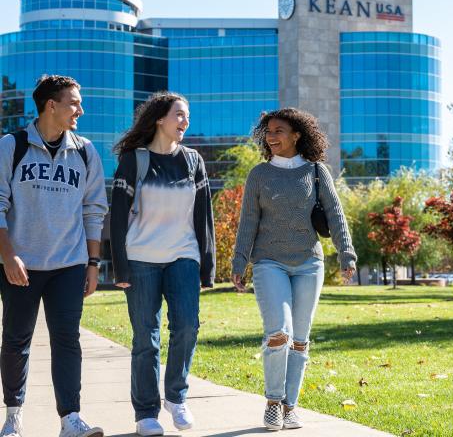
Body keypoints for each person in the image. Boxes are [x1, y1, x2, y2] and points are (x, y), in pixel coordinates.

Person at [232, 108, 356, 431]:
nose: (271, 137)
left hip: (309, 263)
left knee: (300, 339)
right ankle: (273, 403)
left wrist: (347, 254)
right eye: (268, 132)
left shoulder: (316, 172)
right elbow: (248, 222)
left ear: (297, 135)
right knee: (279, 333)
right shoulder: (259, 175)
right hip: (268, 262)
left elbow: (336, 214)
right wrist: (239, 261)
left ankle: (290, 406)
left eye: (279, 131)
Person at [0, 75, 108, 437]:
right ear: (51, 106)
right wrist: (8, 255)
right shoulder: (10, 146)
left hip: (69, 264)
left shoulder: (85, 151)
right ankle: (13, 415)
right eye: (74, 103)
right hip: (21, 264)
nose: (81, 109)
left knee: (67, 340)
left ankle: (70, 419)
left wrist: (93, 263)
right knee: (16, 339)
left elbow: (94, 210)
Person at [110, 91, 215, 437]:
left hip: (183, 255)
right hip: (141, 258)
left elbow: (204, 216)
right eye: (179, 115)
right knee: (146, 338)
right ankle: (145, 413)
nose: (185, 121)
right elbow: (119, 217)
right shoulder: (134, 160)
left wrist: (207, 264)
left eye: (187, 116)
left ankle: (176, 396)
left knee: (187, 326)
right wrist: (120, 266)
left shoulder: (193, 161)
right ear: (159, 118)